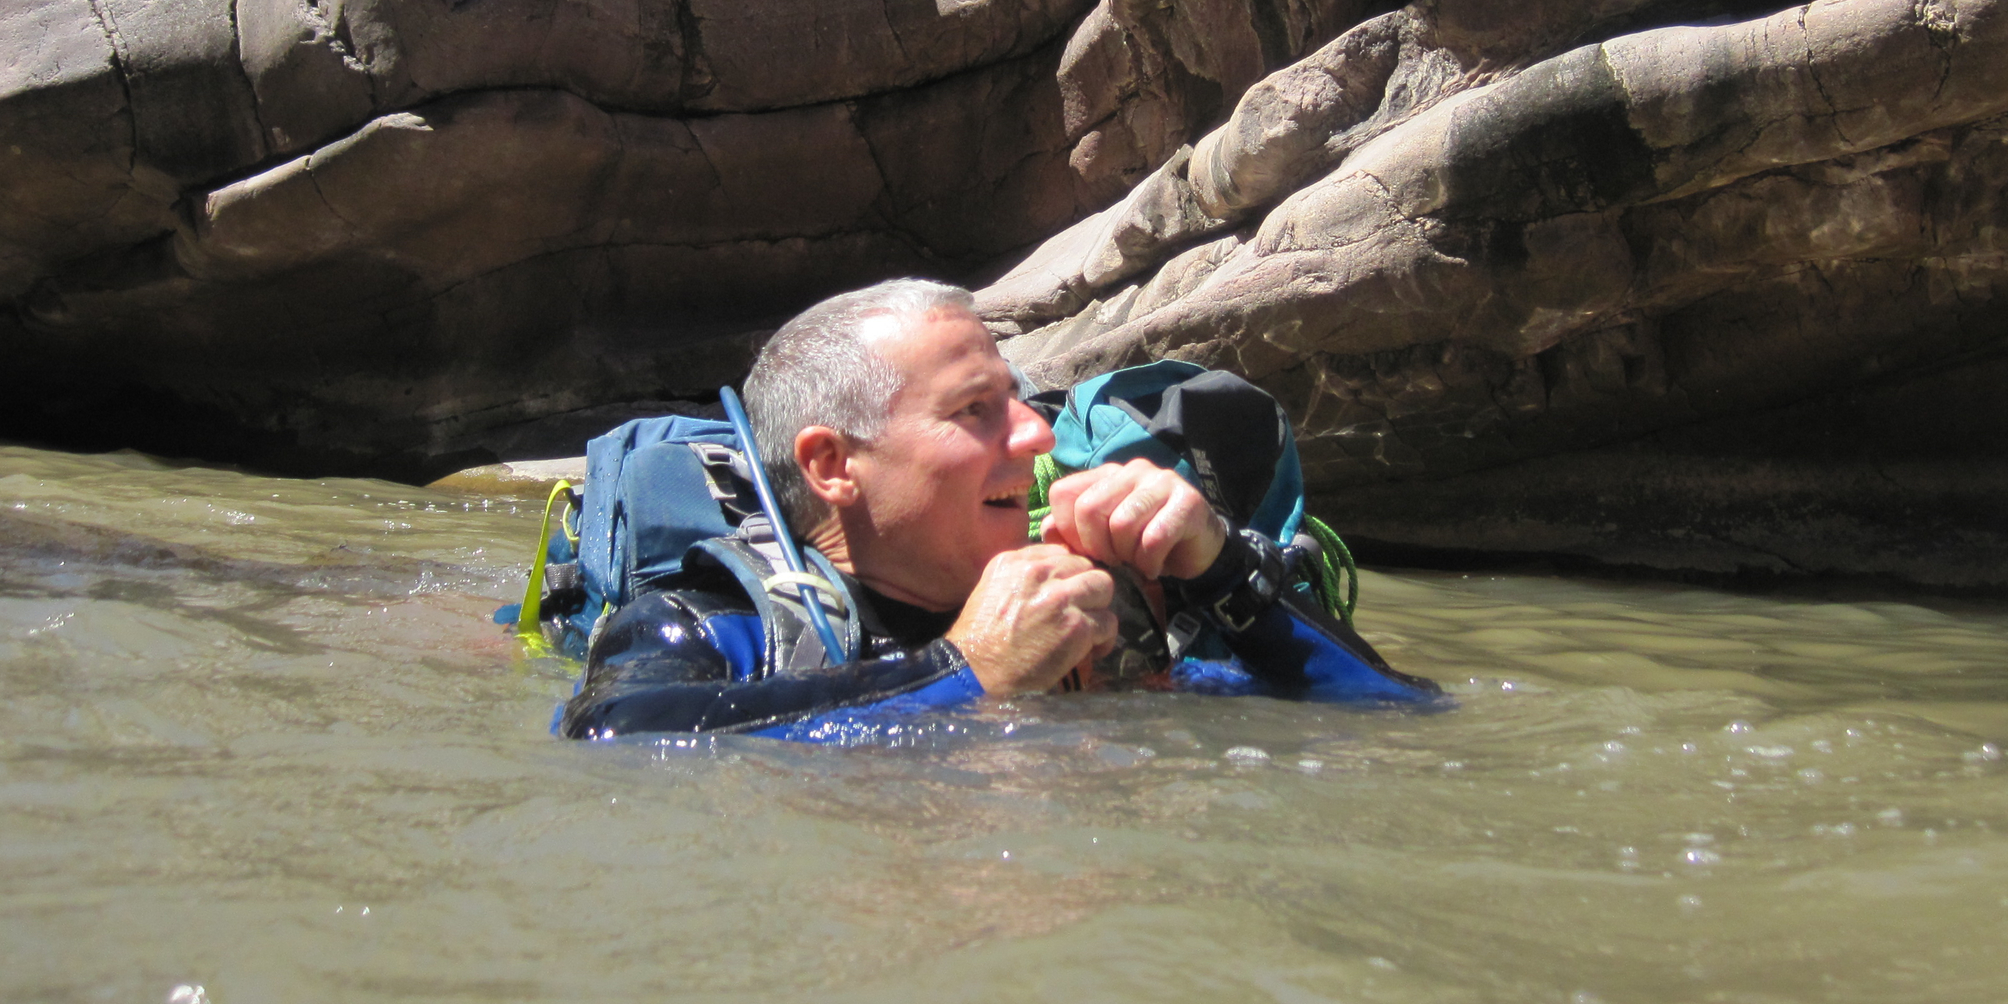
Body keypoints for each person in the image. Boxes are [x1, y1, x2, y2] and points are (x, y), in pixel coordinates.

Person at [561, 279, 1432, 738]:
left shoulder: (1090, 613)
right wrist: (964, 668)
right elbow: (615, 735)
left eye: (1020, 402)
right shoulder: (708, 628)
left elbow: (1401, 713)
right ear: (832, 464)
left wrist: (1218, 565)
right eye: (974, 409)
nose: (1039, 439)